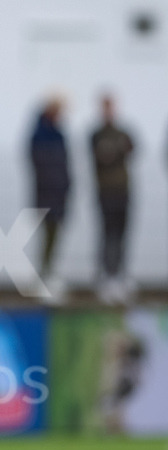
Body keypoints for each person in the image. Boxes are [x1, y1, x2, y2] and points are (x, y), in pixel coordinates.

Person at [89, 94, 134, 304]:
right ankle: (106, 276)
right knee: (107, 234)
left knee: (122, 234)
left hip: (123, 191)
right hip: (105, 192)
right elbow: (103, 156)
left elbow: (131, 148)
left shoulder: (122, 131)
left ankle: (120, 275)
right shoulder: (96, 134)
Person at [29, 97, 71, 297]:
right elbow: (40, 166)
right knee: (46, 235)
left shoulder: (59, 135)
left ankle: (50, 273)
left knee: (55, 235)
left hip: (59, 194)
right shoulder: (39, 135)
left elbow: (64, 166)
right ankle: (43, 275)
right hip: (46, 194)